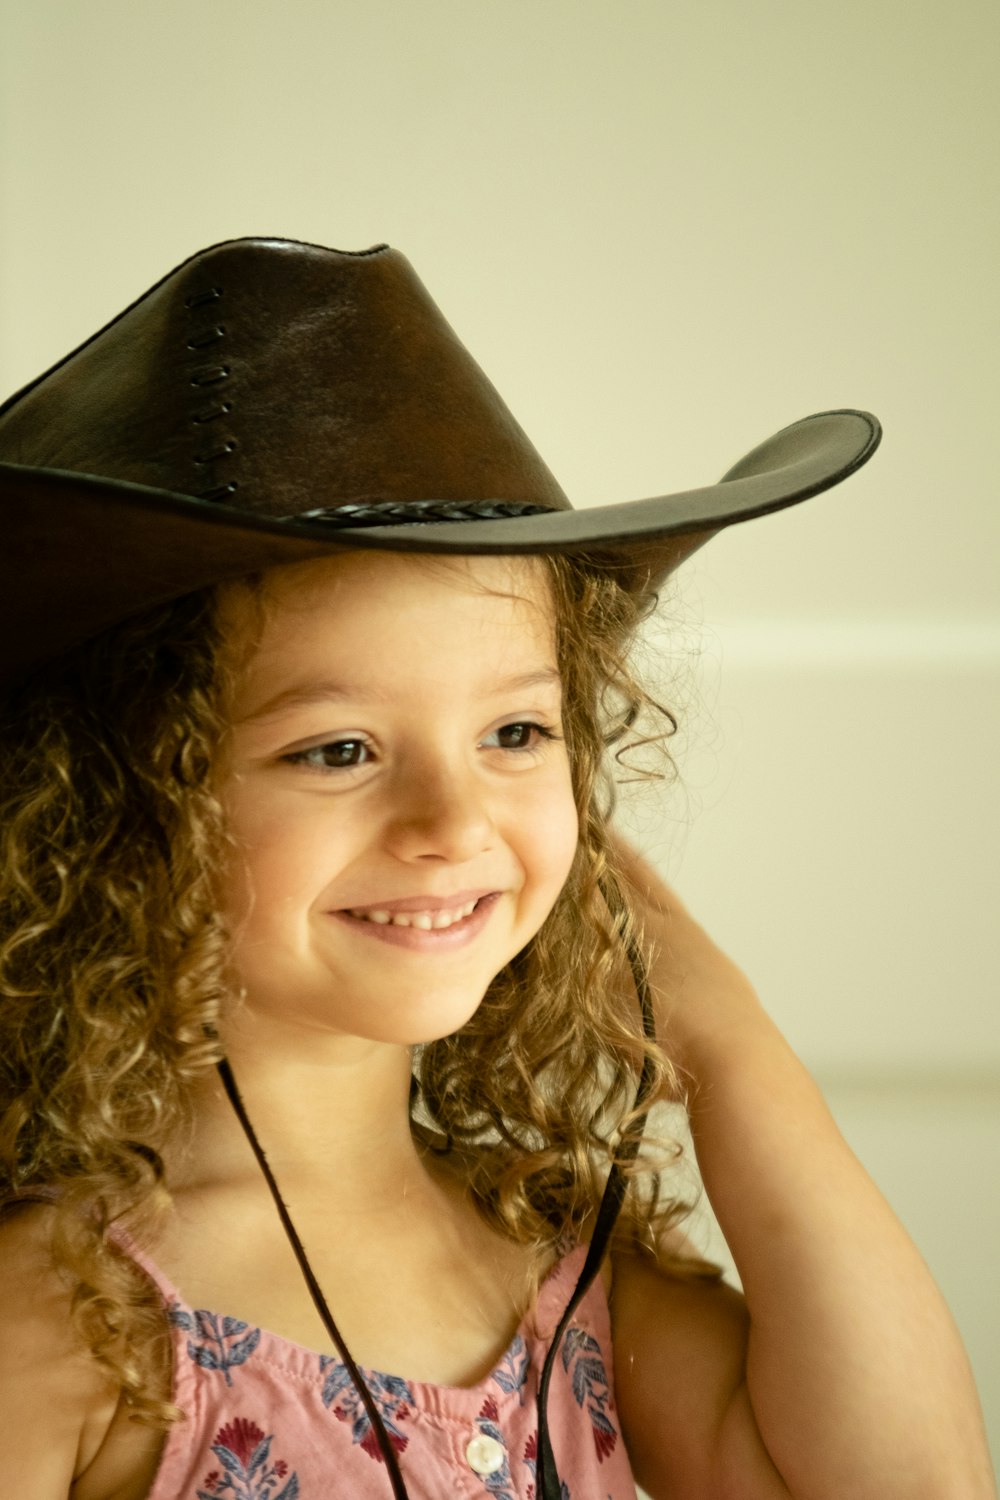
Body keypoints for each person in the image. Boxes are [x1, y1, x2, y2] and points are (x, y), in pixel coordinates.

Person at [0, 236, 991, 1500]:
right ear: (105, 804)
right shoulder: (68, 1325)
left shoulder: (563, 1277)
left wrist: (731, 1047)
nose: (450, 820)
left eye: (515, 733)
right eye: (338, 748)